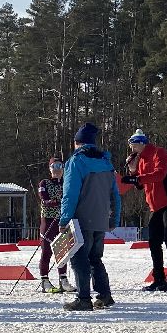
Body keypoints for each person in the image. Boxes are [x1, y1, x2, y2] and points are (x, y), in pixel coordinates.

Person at [58, 123, 122, 311]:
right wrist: (114, 219)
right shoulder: (106, 163)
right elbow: (115, 195)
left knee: (79, 259)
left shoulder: (76, 161)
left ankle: (83, 299)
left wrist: (64, 219)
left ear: (77, 142)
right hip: (101, 220)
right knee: (95, 258)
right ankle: (104, 295)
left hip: (81, 220)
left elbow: (70, 194)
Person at [121, 129, 167, 291]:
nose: (132, 149)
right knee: (154, 241)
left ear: (141, 143)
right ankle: (159, 278)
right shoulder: (140, 159)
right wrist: (133, 171)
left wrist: (137, 178)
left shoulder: (159, 153)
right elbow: (141, 184)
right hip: (154, 205)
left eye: (133, 145)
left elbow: (159, 175)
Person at [37, 157, 76, 293]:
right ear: (50, 168)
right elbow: (44, 199)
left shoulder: (66, 183)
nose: (57, 169)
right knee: (46, 251)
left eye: (60, 166)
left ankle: (63, 280)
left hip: (62, 221)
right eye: (54, 166)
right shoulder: (45, 183)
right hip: (48, 220)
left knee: (62, 252)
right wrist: (57, 202)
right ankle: (45, 281)